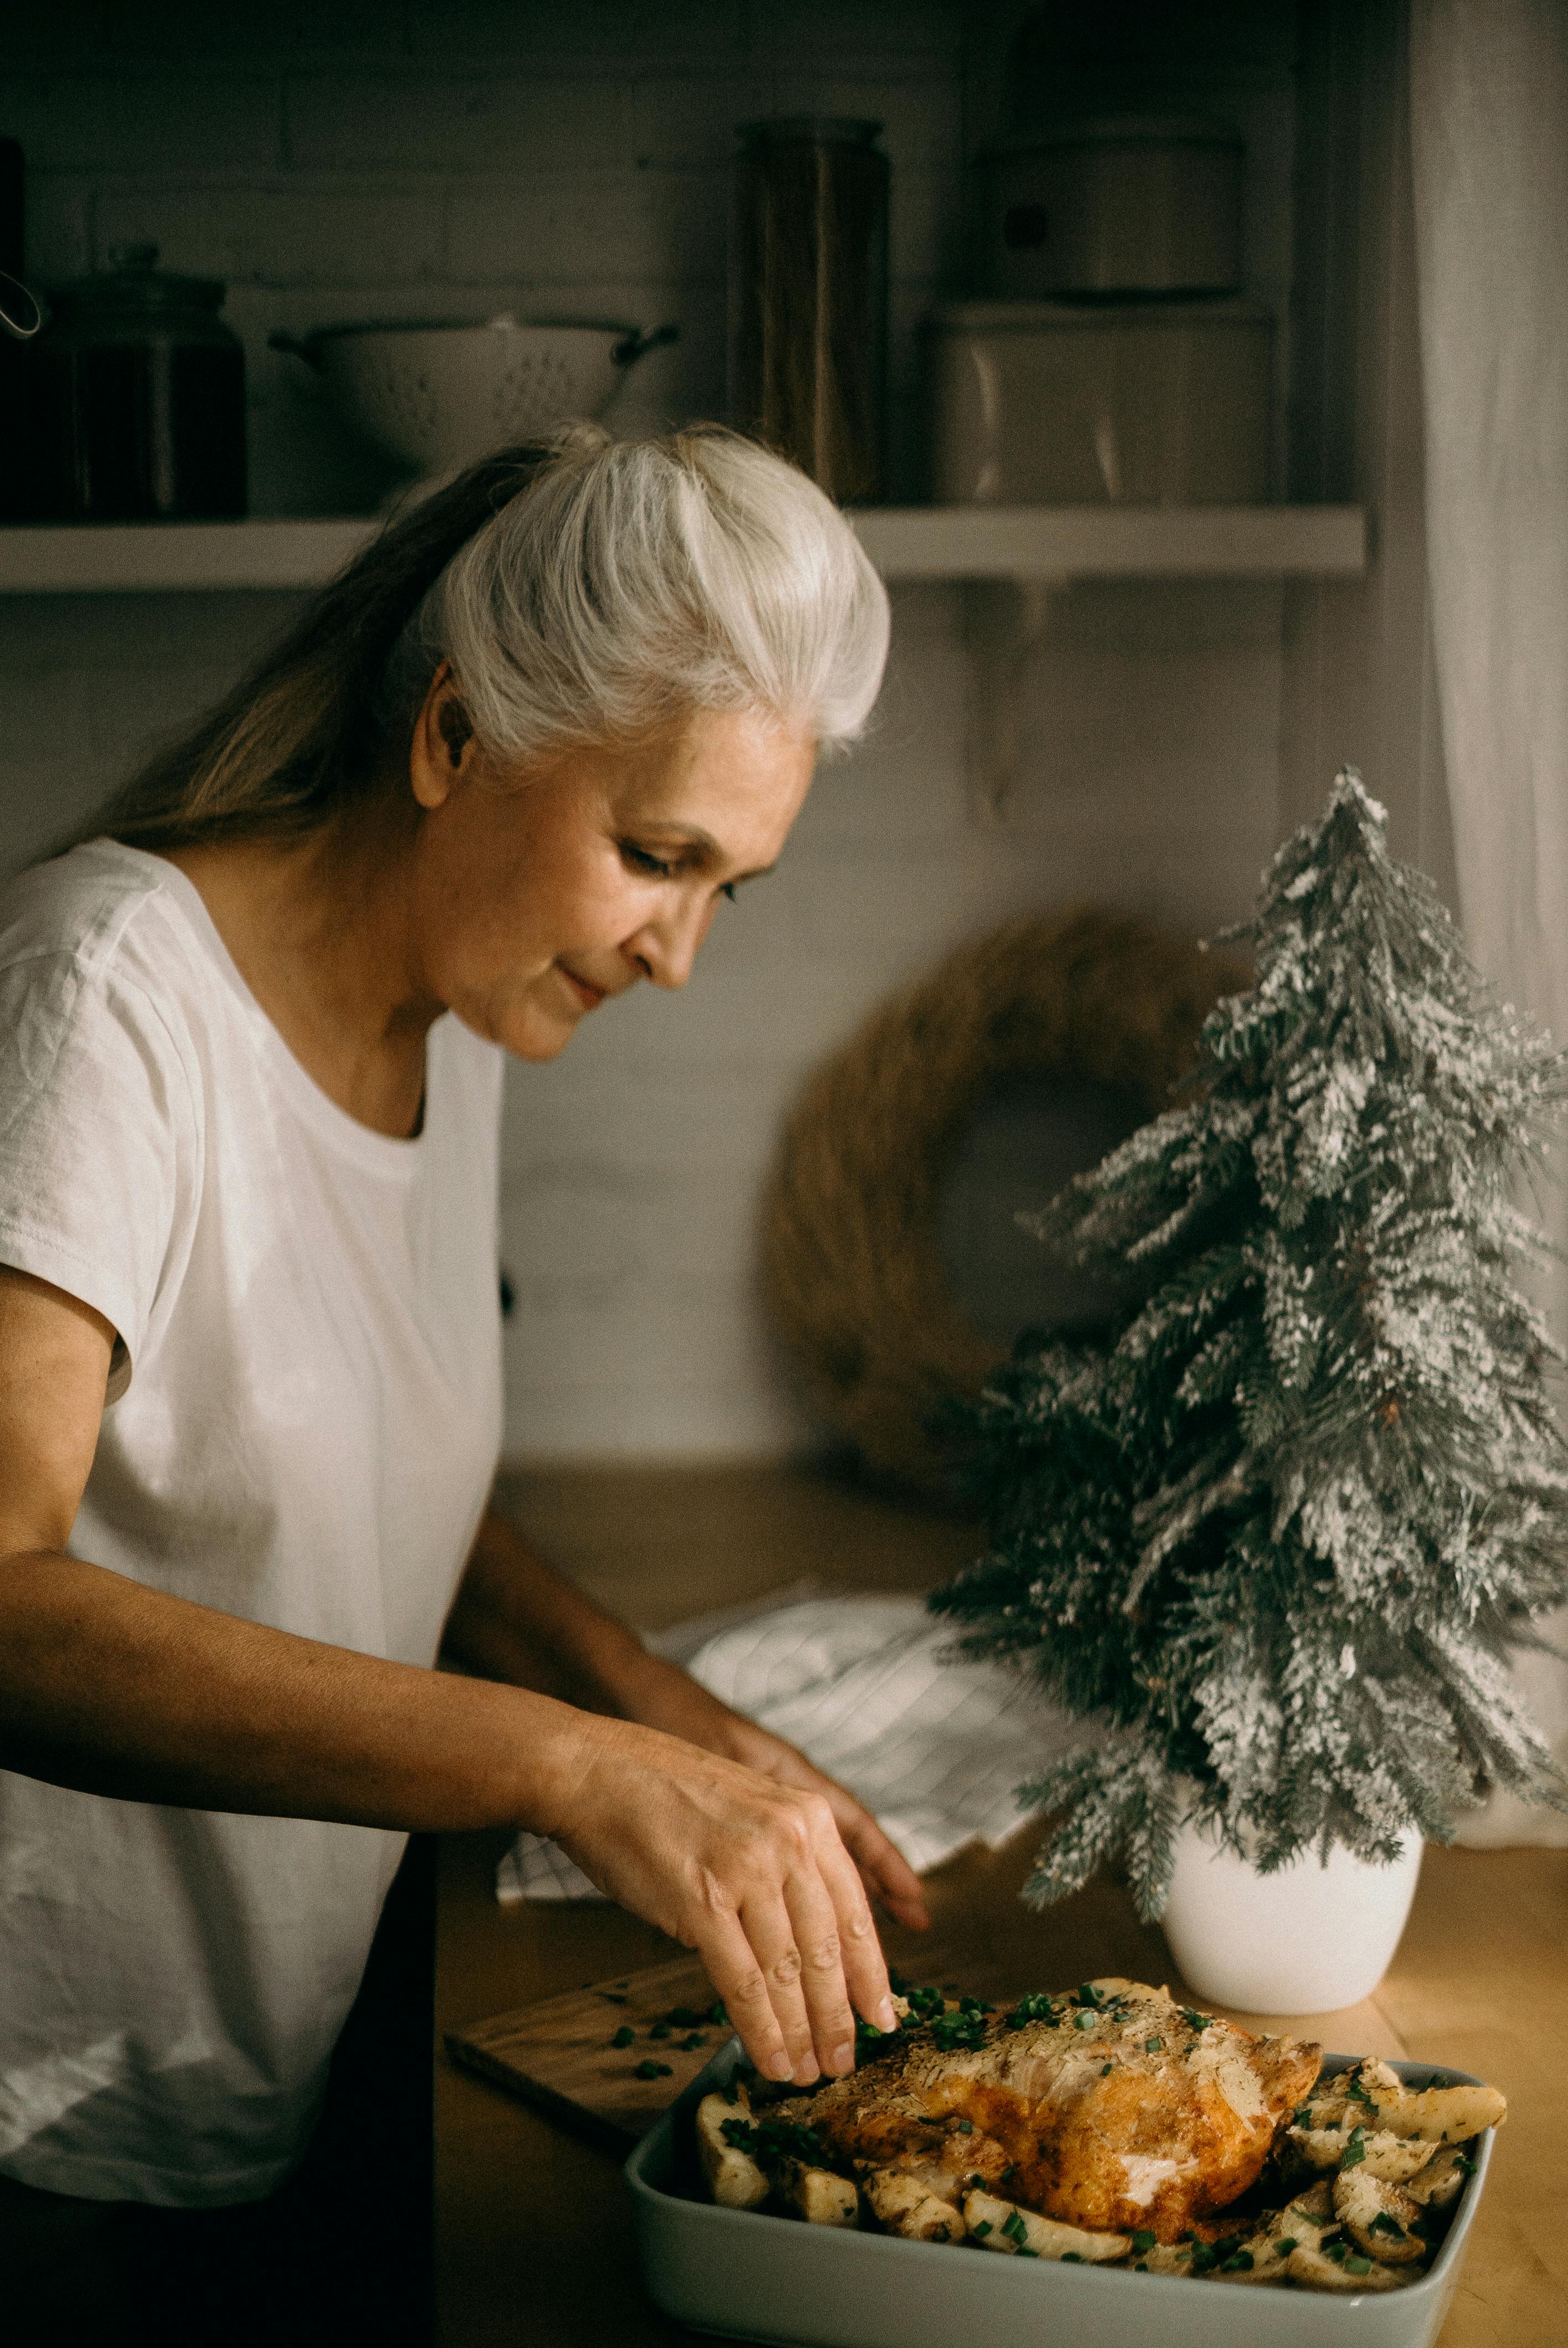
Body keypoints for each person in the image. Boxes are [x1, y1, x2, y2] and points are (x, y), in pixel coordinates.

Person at [0, 425, 928, 2325]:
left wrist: (664, 1720)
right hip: (34, 2124)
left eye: (726, 887)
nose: (676, 955)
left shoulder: (472, 1010)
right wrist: (573, 1772)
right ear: (451, 744)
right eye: (656, 857)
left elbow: (343, 1469)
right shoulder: (106, 997)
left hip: (257, 2089)